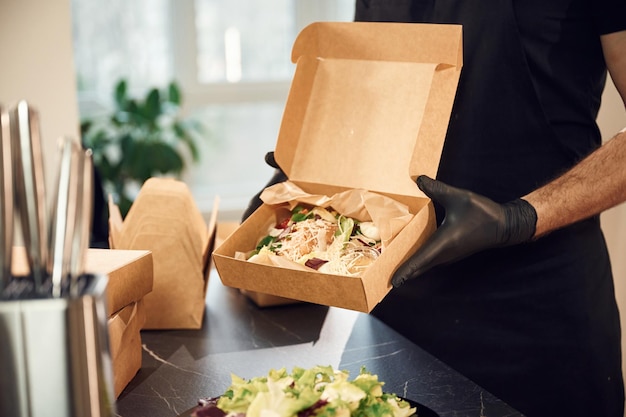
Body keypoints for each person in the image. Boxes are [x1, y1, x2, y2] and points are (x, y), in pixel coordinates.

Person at [244, 1, 626, 415]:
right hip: (396, 311)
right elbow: (380, 90)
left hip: (537, 321)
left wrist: (522, 217)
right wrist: (314, 167)